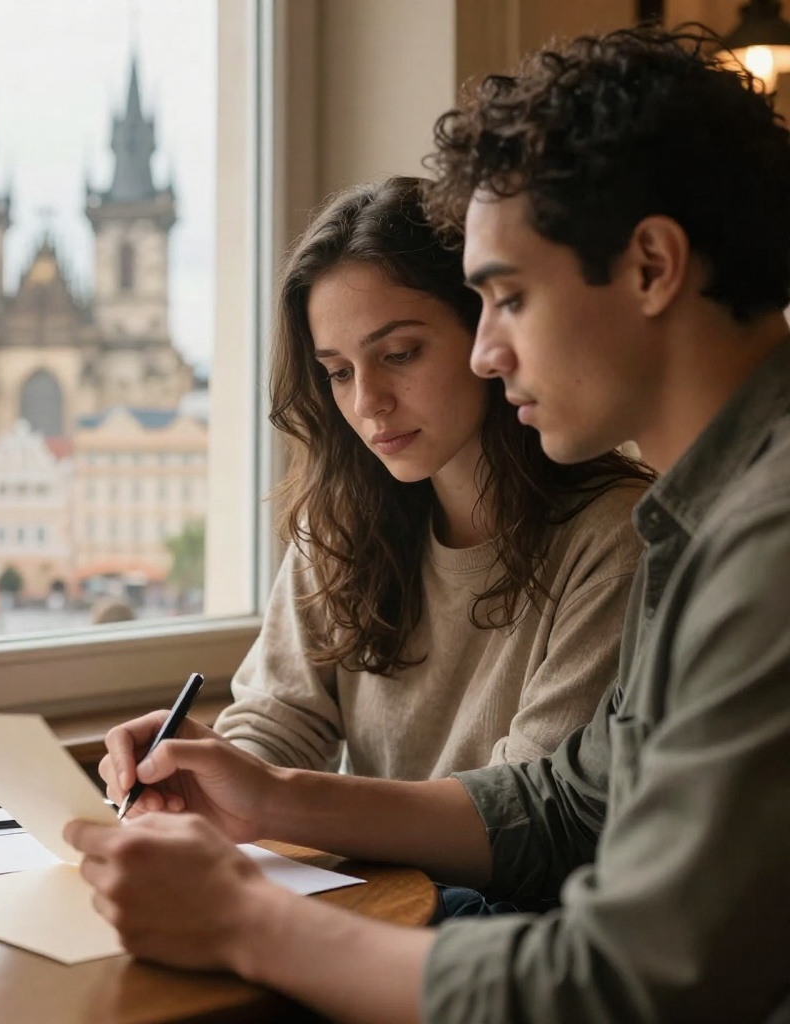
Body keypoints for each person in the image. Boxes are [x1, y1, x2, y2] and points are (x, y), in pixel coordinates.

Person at [66, 26, 790, 1024]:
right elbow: (564, 805)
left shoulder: (764, 539)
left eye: (507, 298)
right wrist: (268, 793)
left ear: (652, 265)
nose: (486, 353)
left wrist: (245, 921)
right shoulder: (706, 515)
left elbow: (638, 979)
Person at [212, 175, 650, 783]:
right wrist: (202, 774)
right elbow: (278, 717)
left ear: (486, 331)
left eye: (399, 354)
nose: (368, 402)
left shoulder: (616, 540)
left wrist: (271, 797)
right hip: (373, 880)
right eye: (338, 372)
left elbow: (528, 811)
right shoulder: (341, 521)